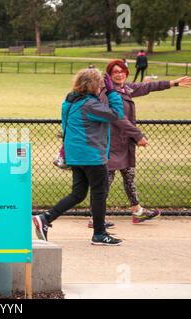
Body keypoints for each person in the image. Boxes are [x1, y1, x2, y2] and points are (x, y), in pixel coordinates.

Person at [88, 60, 191, 227]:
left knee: (129, 177)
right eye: (115, 71)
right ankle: (95, 218)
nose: (119, 74)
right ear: (109, 74)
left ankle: (137, 211)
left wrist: (173, 83)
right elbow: (118, 118)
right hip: (110, 143)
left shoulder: (126, 88)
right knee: (105, 181)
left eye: (122, 71)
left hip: (124, 142)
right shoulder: (107, 93)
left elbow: (148, 87)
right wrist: (137, 135)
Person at [33, 68, 124, 246]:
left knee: (78, 194)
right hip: (92, 155)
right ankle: (99, 233)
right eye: (100, 85)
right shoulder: (90, 105)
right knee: (99, 193)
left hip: (76, 155)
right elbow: (116, 115)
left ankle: (46, 217)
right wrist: (112, 92)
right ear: (93, 85)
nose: (102, 88)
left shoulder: (70, 102)